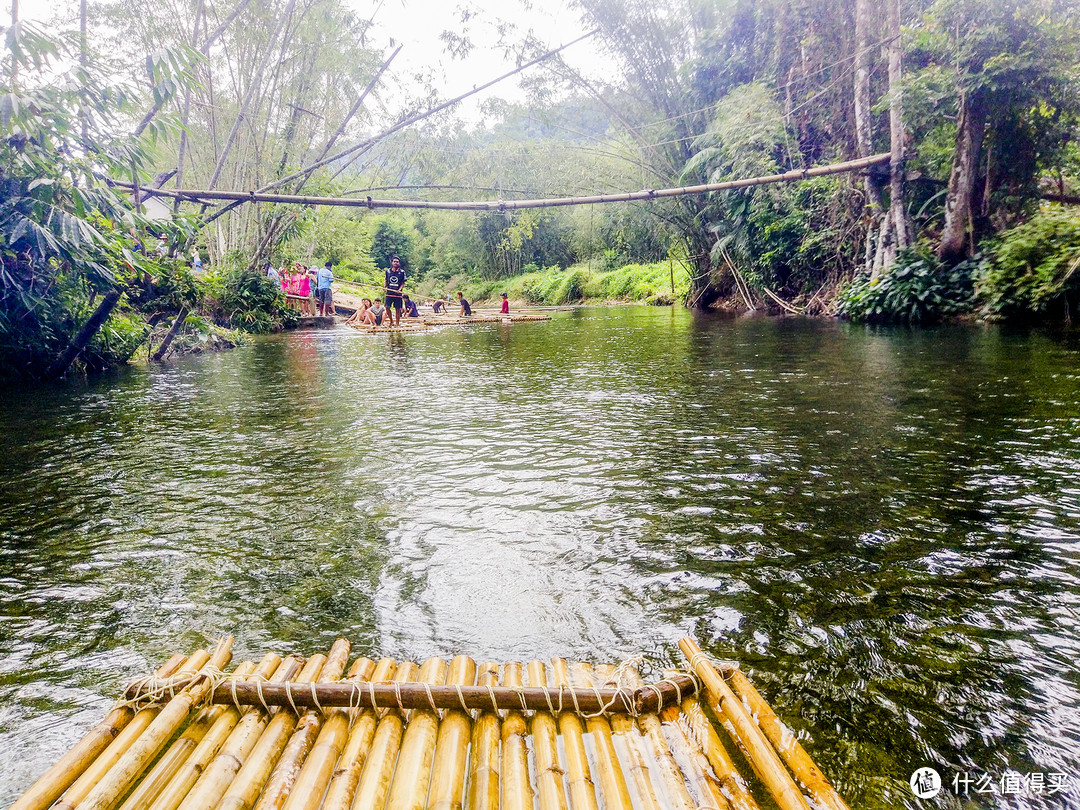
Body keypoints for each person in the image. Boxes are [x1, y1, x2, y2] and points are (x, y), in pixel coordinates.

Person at [384, 255, 407, 327]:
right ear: (392, 262)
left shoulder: (402, 272)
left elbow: (403, 283)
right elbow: (386, 280)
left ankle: (397, 323)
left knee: (397, 309)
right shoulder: (388, 271)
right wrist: (384, 287)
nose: (395, 263)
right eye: (394, 261)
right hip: (389, 293)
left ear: (399, 263)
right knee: (387, 307)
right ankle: (391, 321)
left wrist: (399, 290)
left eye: (397, 262)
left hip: (397, 294)